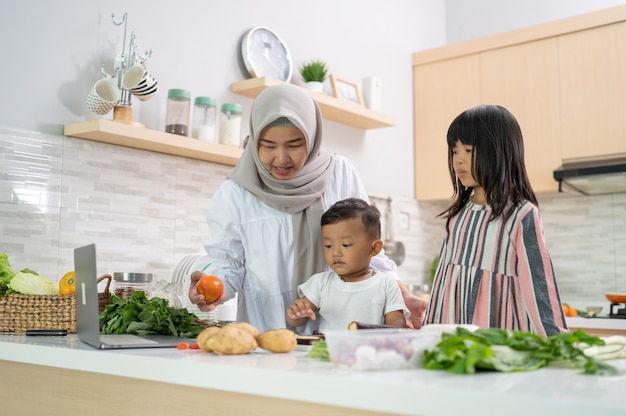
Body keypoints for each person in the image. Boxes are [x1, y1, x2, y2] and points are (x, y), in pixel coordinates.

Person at [187, 84, 426, 332]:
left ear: (311, 138)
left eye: (294, 144)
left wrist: (403, 296)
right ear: (254, 141)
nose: (281, 158)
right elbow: (228, 266)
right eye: (268, 146)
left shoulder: (339, 173)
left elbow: (366, 249)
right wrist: (211, 288)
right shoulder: (235, 193)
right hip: (267, 334)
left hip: (336, 335)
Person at [424, 104, 567, 337]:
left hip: (500, 340)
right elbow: (442, 280)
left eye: (468, 150)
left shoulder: (521, 215)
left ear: (498, 152)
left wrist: (557, 340)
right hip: (455, 342)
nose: (458, 160)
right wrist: (427, 333)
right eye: (454, 151)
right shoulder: (457, 216)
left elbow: (538, 283)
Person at [286, 198, 409, 332]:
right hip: (329, 352)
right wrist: (296, 313)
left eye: (345, 245)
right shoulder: (320, 283)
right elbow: (297, 321)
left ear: (374, 248)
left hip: (370, 351)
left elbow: (396, 325)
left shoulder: (387, 285)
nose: (335, 253)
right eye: (328, 246)